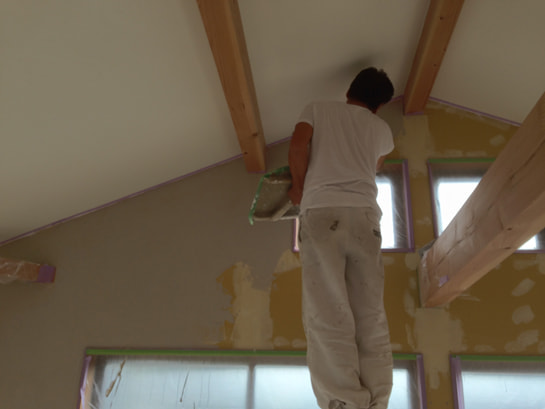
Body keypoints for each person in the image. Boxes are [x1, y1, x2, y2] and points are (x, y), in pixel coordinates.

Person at [288, 67, 395, 409]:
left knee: (328, 311)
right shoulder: (382, 129)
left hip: (323, 212)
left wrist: (299, 188)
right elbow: (375, 166)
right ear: (379, 106)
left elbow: (298, 145)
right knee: (370, 313)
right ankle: (378, 399)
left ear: (349, 90)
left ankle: (346, 402)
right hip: (366, 218)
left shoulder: (317, 108)